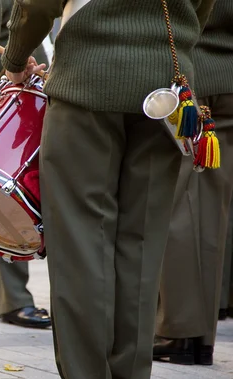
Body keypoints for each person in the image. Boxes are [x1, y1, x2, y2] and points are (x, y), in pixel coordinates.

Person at [0, 0, 215, 378]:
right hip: (165, 90)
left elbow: (35, 5)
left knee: (82, 244)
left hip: (87, 79)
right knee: (143, 247)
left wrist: (16, 61)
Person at [154, 0, 233, 365]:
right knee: (213, 210)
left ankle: (178, 331)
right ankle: (202, 338)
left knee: (179, 201)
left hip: (188, 78)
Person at [0, 0, 52, 330]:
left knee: (8, 192)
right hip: (11, 92)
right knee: (12, 193)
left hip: (40, 90)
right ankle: (14, 298)